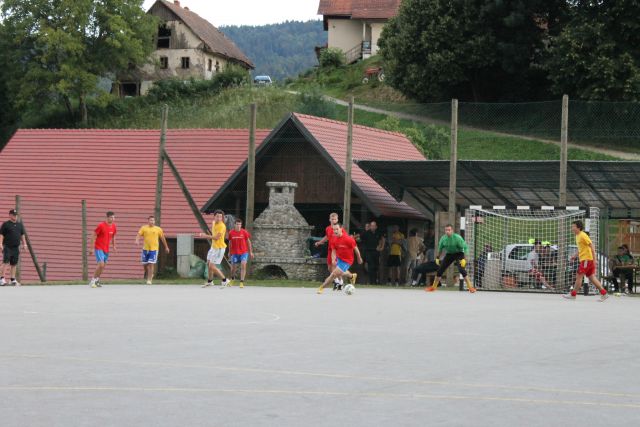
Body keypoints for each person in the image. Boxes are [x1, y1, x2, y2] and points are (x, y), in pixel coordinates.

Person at [563, 220, 608, 301]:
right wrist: (575, 256)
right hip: (586, 259)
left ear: (578, 228)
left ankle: (573, 295)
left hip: (587, 259)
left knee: (579, 276)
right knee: (591, 277)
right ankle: (604, 293)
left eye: (573, 226)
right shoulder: (577, 236)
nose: (572, 228)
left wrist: (595, 259)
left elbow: (592, 246)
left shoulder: (583, 235)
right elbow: (581, 249)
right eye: (572, 226)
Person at [425, 224, 476, 293]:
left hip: (459, 253)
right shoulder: (443, 238)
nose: (447, 231)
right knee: (440, 270)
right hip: (449, 254)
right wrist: (437, 258)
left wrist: (464, 259)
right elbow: (440, 249)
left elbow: (465, 248)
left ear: (452, 231)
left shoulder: (457, 238)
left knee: (461, 270)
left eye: (449, 230)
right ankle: (433, 287)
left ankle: (470, 287)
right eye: (446, 230)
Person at [317, 222, 363, 294]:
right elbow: (334, 251)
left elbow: (356, 249)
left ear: (341, 229)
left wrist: (359, 258)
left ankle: (321, 287)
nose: (335, 231)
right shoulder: (334, 240)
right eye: (334, 229)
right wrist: (333, 259)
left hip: (347, 260)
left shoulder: (348, 239)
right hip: (339, 258)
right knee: (339, 273)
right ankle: (352, 276)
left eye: (337, 229)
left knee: (334, 274)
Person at [135, 215, 170, 285]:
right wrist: (137, 240)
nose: (152, 222)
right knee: (145, 264)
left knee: (151, 264)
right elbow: (139, 234)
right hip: (145, 249)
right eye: (151, 220)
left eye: (153, 220)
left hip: (154, 249)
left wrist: (166, 247)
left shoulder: (158, 229)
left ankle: (149, 279)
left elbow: (163, 238)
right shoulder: (144, 228)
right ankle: (149, 274)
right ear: (148, 221)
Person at [200, 209, 230, 288]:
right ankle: (210, 282)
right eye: (217, 216)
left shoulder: (222, 226)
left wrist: (205, 236)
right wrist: (210, 234)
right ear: (214, 217)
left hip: (219, 248)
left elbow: (216, 238)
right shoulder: (213, 223)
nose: (219, 218)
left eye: (220, 217)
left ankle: (225, 280)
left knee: (212, 266)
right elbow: (214, 233)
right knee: (208, 263)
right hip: (213, 247)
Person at [314, 212, 343, 290]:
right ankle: (338, 281)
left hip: (337, 249)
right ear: (330, 219)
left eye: (335, 219)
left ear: (337, 219)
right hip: (330, 249)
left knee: (336, 266)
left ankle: (339, 282)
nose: (334, 220)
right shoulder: (328, 228)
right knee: (329, 267)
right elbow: (327, 237)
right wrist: (320, 242)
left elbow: (343, 237)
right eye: (332, 219)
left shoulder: (339, 228)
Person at [89, 211, 117, 288]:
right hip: (99, 248)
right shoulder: (101, 225)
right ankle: (92, 281)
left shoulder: (114, 226)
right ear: (107, 217)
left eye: (114, 217)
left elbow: (113, 236)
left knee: (103, 266)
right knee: (101, 264)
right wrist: (91, 248)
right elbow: (93, 236)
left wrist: (114, 246)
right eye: (111, 217)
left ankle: (97, 280)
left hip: (106, 249)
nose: (113, 219)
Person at [0, 209, 27, 286]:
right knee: (5, 262)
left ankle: (12, 279)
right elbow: (1, 235)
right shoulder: (6, 224)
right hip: (7, 246)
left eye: (16, 215)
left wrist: (25, 244)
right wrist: (0, 244)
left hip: (16, 247)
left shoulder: (19, 225)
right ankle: (1, 279)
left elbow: (22, 235)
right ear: (10, 215)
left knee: (14, 263)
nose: (15, 216)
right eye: (14, 215)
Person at [228, 218, 253, 288]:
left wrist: (251, 252)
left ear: (241, 225)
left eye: (240, 224)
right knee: (233, 268)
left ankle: (241, 282)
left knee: (243, 264)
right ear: (234, 225)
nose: (238, 226)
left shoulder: (244, 232)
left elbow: (248, 242)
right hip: (235, 253)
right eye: (237, 224)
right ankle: (232, 279)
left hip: (244, 252)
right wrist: (229, 252)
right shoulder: (231, 233)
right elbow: (230, 243)